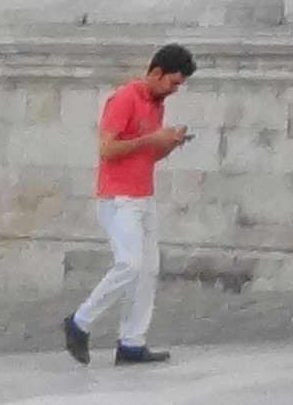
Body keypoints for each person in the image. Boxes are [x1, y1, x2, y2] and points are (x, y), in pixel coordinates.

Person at [62, 42, 197, 365]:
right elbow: (107, 150)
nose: (175, 90)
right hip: (117, 197)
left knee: (148, 270)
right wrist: (153, 139)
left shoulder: (156, 103)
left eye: (179, 85)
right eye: (173, 82)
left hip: (142, 195)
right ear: (155, 72)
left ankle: (132, 342)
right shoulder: (124, 98)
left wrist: (170, 144)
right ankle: (79, 322)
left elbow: (148, 155)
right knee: (130, 264)